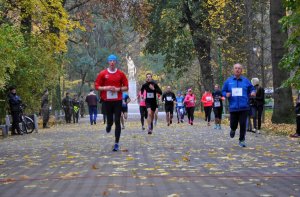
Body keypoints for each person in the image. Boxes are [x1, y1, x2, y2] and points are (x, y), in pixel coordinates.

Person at [94, 54, 129, 151]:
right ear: (108, 62)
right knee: (110, 120)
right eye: (110, 61)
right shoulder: (103, 73)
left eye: (114, 61)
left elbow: (126, 87)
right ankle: (109, 125)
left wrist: (118, 89)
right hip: (107, 101)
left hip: (117, 100)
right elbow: (96, 86)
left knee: (117, 120)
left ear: (116, 62)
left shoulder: (121, 74)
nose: (112, 62)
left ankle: (116, 143)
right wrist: (106, 88)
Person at [222, 63, 256, 147]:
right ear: (233, 70)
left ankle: (242, 140)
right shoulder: (228, 81)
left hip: (244, 107)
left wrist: (253, 92)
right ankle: (233, 129)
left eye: (239, 68)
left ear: (241, 70)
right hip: (233, 107)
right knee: (233, 124)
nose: (237, 70)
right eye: (236, 68)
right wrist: (226, 94)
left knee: (243, 124)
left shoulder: (246, 81)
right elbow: (223, 91)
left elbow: (252, 88)